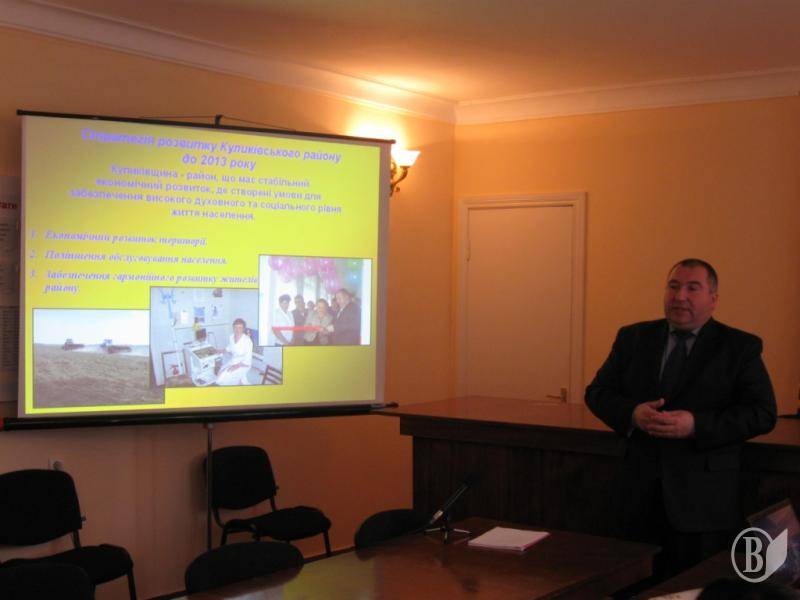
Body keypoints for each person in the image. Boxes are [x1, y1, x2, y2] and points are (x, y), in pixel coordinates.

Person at [585, 258, 776, 579]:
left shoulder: (739, 347)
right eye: (673, 287)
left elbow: (762, 413)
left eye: (692, 288)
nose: (680, 296)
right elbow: (597, 392)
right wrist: (632, 414)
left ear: (713, 299)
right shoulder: (633, 338)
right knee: (632, 585)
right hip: (637, 495)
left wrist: (696, 425)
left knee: (692, 587)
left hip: (702, 503)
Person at [215, 318, 253, 386]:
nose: (237, 330)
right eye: (235, 327)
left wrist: (236, 366)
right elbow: (230, 347)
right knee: (220, 372)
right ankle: (239, 381)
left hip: (243, 364)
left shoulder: (247, 341)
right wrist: (221, 351)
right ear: (233, 328)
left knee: (222, 380)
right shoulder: (231, 337)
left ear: (243, 329)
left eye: (240, 328)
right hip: (234, 360)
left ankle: (238, 382)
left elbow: (248, 360)